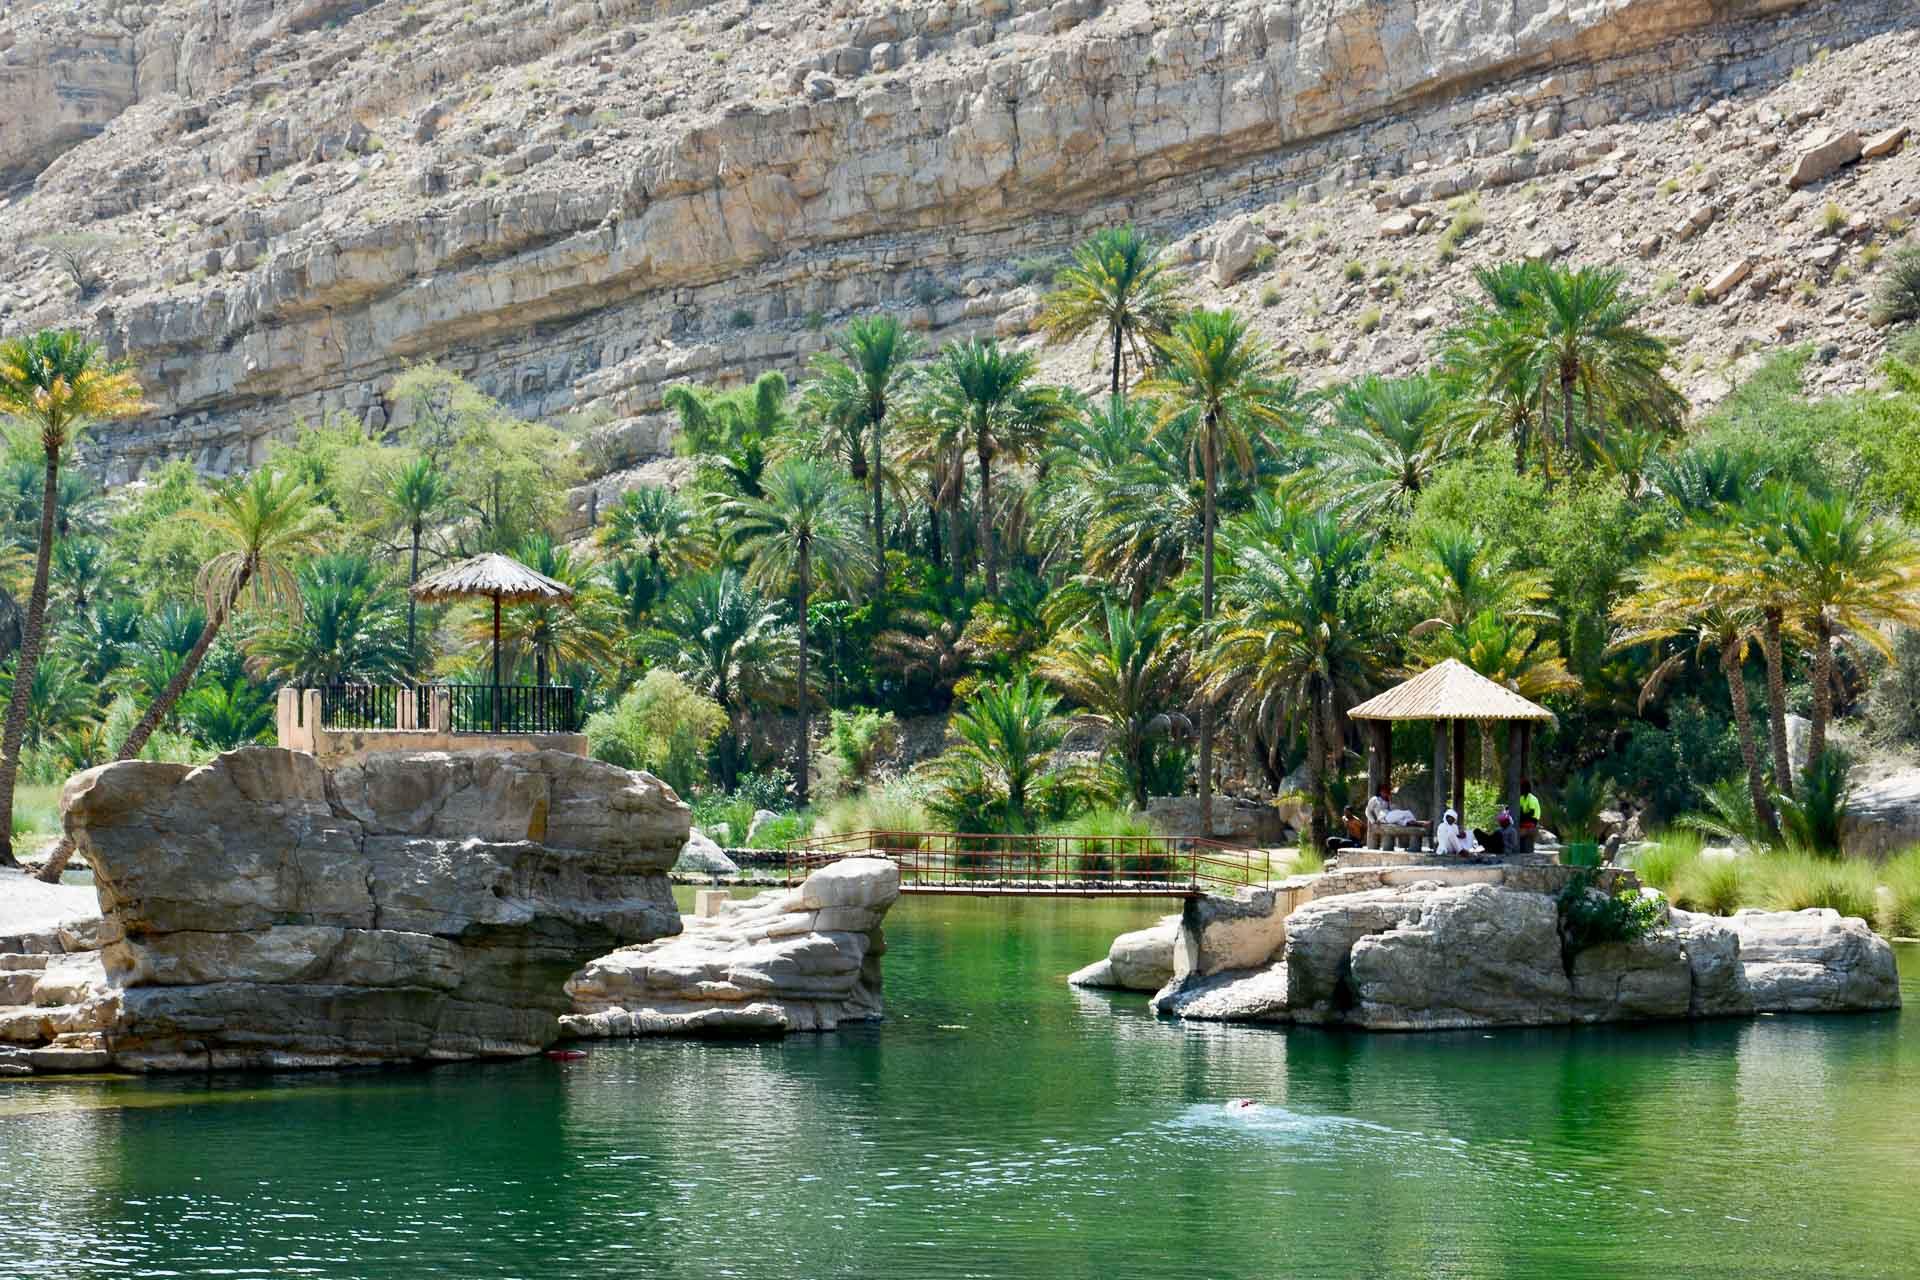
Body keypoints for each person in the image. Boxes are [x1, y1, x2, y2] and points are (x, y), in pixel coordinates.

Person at [1516, 778, 1542, 854]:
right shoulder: (1521, 798)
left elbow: (1531, 813)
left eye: (1521, 787)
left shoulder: (1532, 798)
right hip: (1525, 818)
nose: (1520, 789)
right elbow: (1519, 810)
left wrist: (1521, 816)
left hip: (1533, 819)